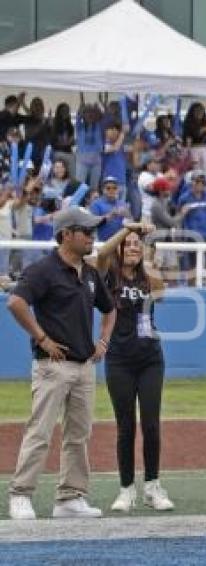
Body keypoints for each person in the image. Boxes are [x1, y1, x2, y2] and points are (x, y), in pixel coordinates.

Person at [6, 207, 116, 520]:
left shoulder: (90, 272)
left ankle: (70, 497)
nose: (92, 237)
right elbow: (15, 302)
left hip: (84, 367)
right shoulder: (42, 270)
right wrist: (42, 339)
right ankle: (20, 494)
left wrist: (104, 341)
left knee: (78, 435)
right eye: (86, 231)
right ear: (66, 234)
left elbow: (110, 309)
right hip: (52, 366)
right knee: (40, 432)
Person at [93, 222, 173, 512]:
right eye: (128, 245)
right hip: (119, 360)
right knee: (125, 427)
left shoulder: (150, 276)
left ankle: (153, 486)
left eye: (138, 245)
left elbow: (161, 294)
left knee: (151, 425)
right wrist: (128, 230)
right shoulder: (108, 274)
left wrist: (146, 254)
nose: (133, 249)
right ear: (120, 248)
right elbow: (102, 253)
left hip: (150, 358)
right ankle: (126, 489)